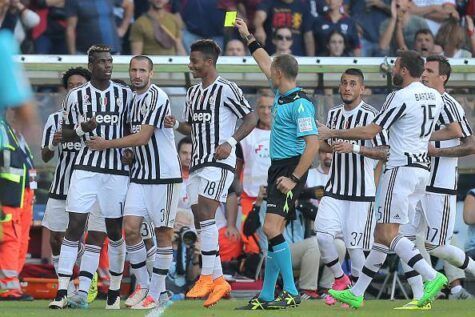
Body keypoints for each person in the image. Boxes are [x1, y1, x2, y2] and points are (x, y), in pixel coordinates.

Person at [318, 50, 447, 309]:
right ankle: (357, 292)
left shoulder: (398, 96)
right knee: (381, 238)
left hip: (401, 168)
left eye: (396, 67)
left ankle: (432, 276)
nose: (392, 71)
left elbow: (372, 130)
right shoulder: (434, 95)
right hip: (422, 169)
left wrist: (333, 132)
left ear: (405, 70)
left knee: (387, 235)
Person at [164, 39, 257, 308]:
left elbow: (250, 117)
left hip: (220, 162)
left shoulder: (226, 89)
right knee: (199, 216)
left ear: (208, 62)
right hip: (197, 162)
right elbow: (191, 128)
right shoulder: (193, 93)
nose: (190, 65)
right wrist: (176, 123)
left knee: (205, 211)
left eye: (194, 61)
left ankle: (206, 275)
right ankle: (218, 280)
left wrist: (230, 141)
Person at [235, 18, 319, 310]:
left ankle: (293, 291)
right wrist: (247, 36)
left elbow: (313, 145)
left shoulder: (300, 104)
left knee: (271, 229)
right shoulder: (283, 97)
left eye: (272, 70)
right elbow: (262, 60)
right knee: (274, 233)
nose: (267, 71)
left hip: (290, 170)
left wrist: (294, 178)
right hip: (279, 169)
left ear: (280, 74)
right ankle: (268, 295)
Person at [87, 55, 183, 310]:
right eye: (133, 70)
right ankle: (144, 285)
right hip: (140, 175)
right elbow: (133, 140)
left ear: (151, 74)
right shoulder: (130, 99)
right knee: (130, 229)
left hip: (164, 175)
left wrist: (106, 145)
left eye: (142, 70)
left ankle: (156, 292)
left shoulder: (156, 97)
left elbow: (142, 137)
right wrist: (127, 154)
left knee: (163, 233)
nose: (137, 74)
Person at [49, 44, 134, 310]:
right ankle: (62, 291)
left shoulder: (125, 94)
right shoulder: (76, 96)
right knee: (74, 225)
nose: (107, 66)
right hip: (85, 168)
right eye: (101, 62)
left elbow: (132, 129)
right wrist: (82, 127)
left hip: (116, 172)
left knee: (112, 231)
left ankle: (115, 292)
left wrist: (128, 150)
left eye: (110, 61)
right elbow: (66, 133)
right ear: (91, 65)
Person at [315, 68, 388, 306]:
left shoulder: (371, 115)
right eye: (344, 83)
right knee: (323, 236)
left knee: (355, 248)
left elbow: (385, 152)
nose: (347, 87)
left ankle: (356, 294)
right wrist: (316, 139)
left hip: (361, 193)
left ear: (362, 89)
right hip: (335, 188)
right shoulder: (334, 114)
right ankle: (340, 279)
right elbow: (329, 146)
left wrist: (354, 148)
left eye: (353, 84)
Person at [40, 67, 104, 302]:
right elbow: (45, 155)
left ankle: (87, 279)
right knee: (56, 239)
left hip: (89, 187)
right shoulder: (55, 119)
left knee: (79, 235)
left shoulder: (97, 119)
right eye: (71, 86)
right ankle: (64, 288)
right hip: (61, 186)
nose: (75, 89)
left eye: (80, 86)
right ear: (66, 90)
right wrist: (53, 144)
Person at [236, 89, 273, 255]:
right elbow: (236, 172)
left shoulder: (287, 135)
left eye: (270, 107)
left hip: (277, 197)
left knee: (274, 240)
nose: (266, 111)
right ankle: (253, 273)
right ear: (256, 109)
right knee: (252, 245)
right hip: (250, 198)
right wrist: (237, 193)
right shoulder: (246, 136)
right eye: (262, 107)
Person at [64, 0, 133, 54]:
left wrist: (123, 29)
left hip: (112, 50)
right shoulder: (73, 1)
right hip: (86, 52)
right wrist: (72, 55)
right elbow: (71, 29)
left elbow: (129, 4)